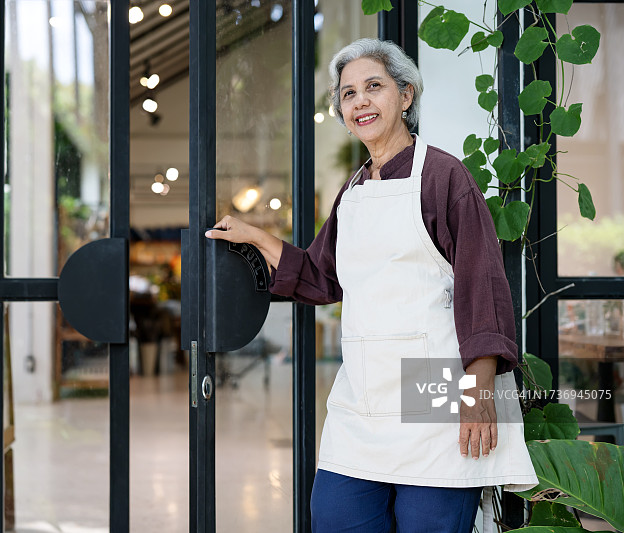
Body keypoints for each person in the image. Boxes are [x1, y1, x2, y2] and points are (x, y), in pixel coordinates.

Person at [206, 38, 537, 532]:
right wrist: (257, 236)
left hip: (435, 389)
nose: (359, 101)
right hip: (362, 393)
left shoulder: (446, 177)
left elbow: (481, 287)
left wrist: (478, 392)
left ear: (405, 96)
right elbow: (321, 276)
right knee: (337, 517)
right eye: (348, 93)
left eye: (373, 87)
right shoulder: (354, 190)